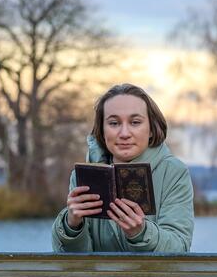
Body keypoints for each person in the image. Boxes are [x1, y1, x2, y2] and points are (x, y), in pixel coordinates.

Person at [51, 83, 194, 253]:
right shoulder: (82, 176)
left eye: (135, 122)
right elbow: (75, 263)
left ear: (151, 129)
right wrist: (71, 226)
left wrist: (141, 233)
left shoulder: (174, 173)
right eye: (114, 123)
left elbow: (179, 248)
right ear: (102, 131)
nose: (124, 133)